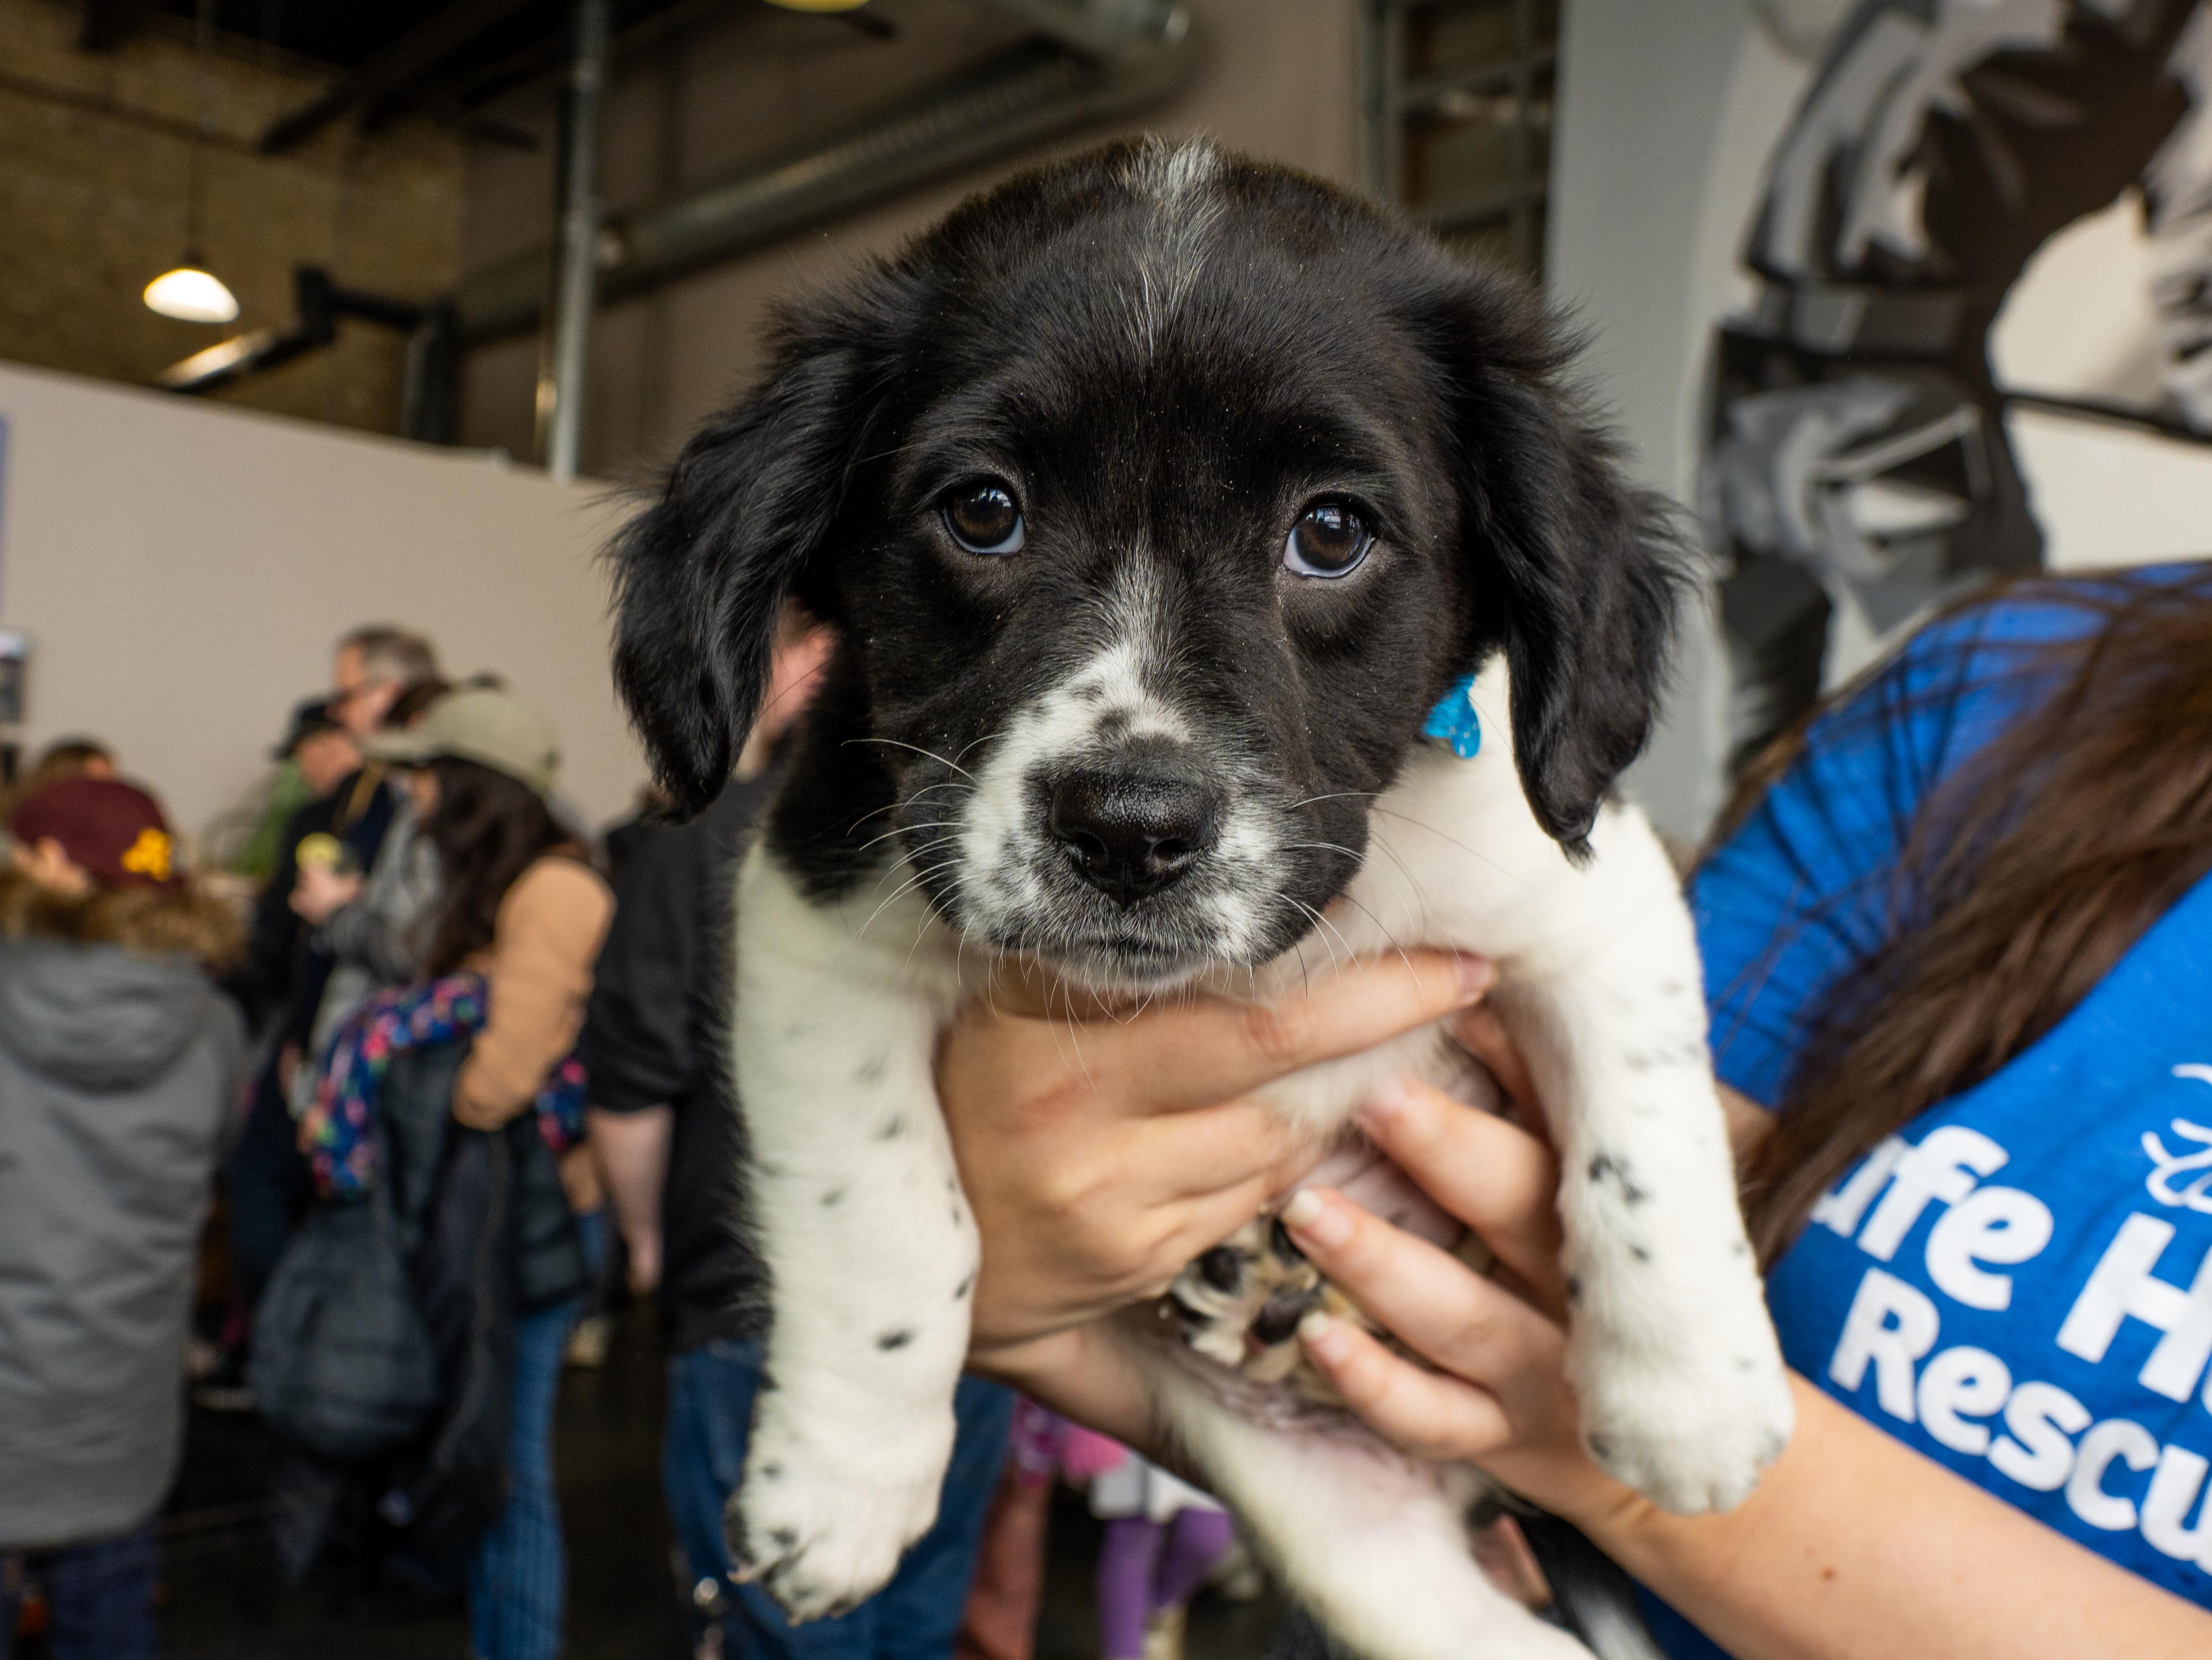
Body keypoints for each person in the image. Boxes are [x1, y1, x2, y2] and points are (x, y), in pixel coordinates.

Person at [941, 564, 2212, 1656]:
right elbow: (1526, 1157)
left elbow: (1564, 1342)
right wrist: (1011, 1299)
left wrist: (1642, 1495)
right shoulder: (2021, 683)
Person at [585, 611, 1011, 1659]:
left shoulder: (691, 843)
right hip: (986, 1308)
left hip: (753, 1291)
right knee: (916, 1617)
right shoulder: (985, 831)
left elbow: (632, 1082)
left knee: (791, 1627)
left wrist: (645, 1243)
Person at [362, 685, 614, 1660]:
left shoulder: (555, 888)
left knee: (512, 1461)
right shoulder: (511, 881)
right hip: (507, 1207)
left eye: (429, 773)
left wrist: (427, 1079)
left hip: (537, 1213)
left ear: (475, 789)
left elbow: (498, 1080)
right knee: (489, 1447)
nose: (414, 793)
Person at [0, 779, 246, 1660]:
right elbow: (219, 1155)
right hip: (123, 1386)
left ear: (57, 867)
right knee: (109, 1611)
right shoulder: (212, 1024)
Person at [222, 628, 439, 1341]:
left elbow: (415, 947)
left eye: (346, 694)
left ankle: (299, 1348)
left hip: (383, 1048)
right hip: (341, 1039)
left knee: (316, 1206)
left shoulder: (415, 798)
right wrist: (303, 1032)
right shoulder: (376, 790)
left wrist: (339, 914)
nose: (337, 714)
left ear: (386, 694)